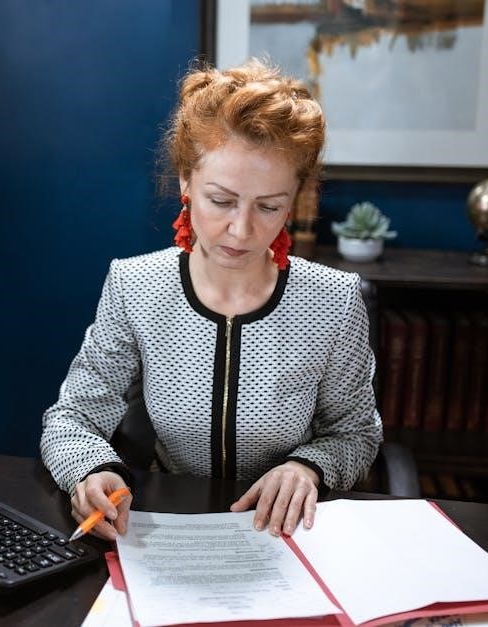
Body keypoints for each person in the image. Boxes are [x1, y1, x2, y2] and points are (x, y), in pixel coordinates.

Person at [40, 58, 383, 542]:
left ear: (295, 200)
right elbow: (72, 418)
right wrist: (89, 471)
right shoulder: (135, 285)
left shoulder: (333, 301)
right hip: (167, 527)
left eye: (269, 207)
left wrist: (307, 467)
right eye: (221, 200)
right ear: (186, 180)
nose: (241, 230)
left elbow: (357, 434)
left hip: (286, 533)